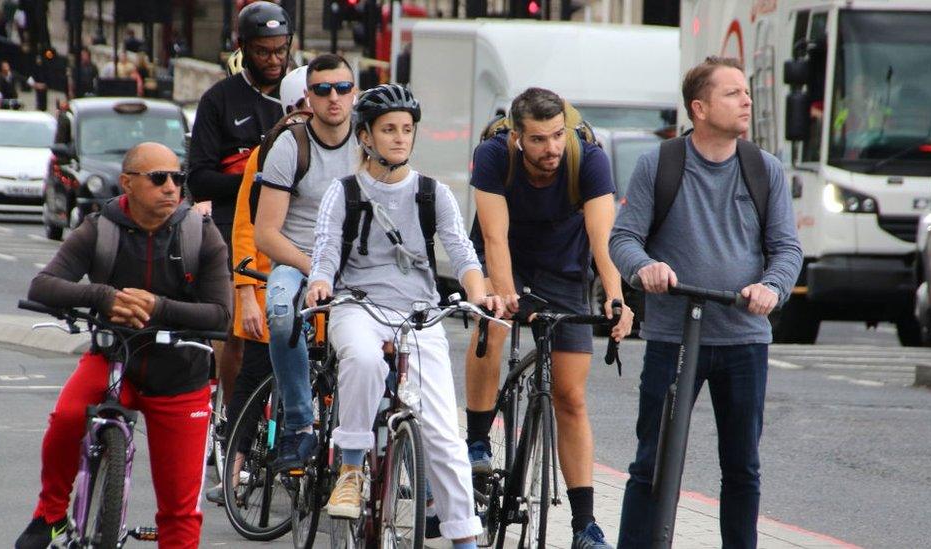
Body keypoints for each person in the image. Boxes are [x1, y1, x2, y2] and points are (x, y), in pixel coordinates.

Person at [610, 56, 802, 549]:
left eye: (746, 92)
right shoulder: (661, 164)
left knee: (742, 467)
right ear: (699, 108)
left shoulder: (765, 169)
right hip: (674, 334)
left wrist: (772, 288)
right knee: (652, 462)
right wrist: (644, 268)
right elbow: (624, 239)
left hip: (743, 337)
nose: (747, 101)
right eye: (733, 93)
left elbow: (787, 248)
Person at [305, 83, 501, 549]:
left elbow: (463, 253)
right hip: (358, 305)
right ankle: (351, 466)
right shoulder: (344, 191)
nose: (399, 138)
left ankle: (463, 539)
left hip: (419, 315)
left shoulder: (434, 193)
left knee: (443, 436)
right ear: (366, 137)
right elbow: (327, 249)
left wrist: (480, 297)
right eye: (388, 129)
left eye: (407, 129)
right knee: (364, 360)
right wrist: (320, 281)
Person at [14, 142, 232, 549]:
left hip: (181, 374)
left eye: (178, 178)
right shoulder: (101, 228)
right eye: (158, 178)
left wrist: (158, 306)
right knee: (66, 418)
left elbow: (221, 314)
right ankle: (51, 514)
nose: (171, 187)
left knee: (181, 511)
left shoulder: (199, 233)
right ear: (128, 183)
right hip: (114, 361)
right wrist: (104, 298)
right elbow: (42, 285)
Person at [463, 87, 633, 548]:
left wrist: (615, 298)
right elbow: (495, 239)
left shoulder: (588, 159)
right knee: (493, 324)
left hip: (563, 263)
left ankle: (585, 526)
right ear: (517, 137)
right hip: (507, 254)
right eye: (538, 139)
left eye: (557, 135)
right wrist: (505, 294)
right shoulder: (495, 155)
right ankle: (477, 442)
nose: (551, 148)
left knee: (570, 396)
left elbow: (603, 240)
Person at [204, 62, 311, 505]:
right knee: (251, 377)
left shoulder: (351, 150)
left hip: (326, 288)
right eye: (305, 102)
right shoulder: (269, 154)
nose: (317, 109)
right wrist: (246, 292)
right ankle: (233, 471)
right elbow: (246, 227)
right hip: (271, 282)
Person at [253, 53, 358, 470]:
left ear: (356, 93)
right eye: (322, 90)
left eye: (343, 88)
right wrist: (314, 267)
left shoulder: (367, 142)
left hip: (353, 260)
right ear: (308, 97)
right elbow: (266, 233)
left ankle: (389, 436)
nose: (334, 98)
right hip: (296, 257)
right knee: (280, 312)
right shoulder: (290, 144)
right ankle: (298, 426)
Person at [187, 0, 290, 416]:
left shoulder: (300, 94)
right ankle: (235, 417)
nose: (274, 59)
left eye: (281, 49)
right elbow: (198, 177)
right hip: (235, 222)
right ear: (243, 47)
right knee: (240, 335)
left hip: (292, 222)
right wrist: (256, 179)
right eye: (263, 51)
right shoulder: (219, 100)